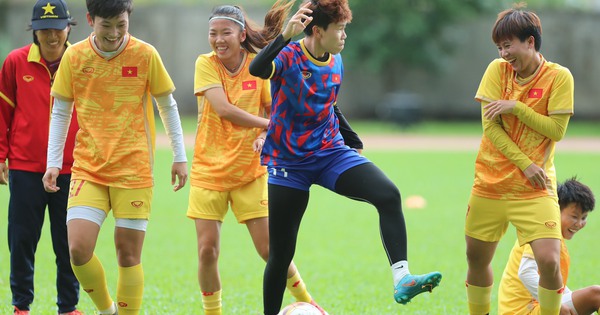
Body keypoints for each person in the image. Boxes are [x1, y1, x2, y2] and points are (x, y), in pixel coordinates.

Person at [249, 1, 442, 314]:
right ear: (317, 30)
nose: (344, 36)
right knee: (281, 254)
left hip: (330, 153)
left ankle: (402, 278)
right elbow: (257, 69)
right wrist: (284, 35)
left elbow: (329, 105)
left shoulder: (336, 60)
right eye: (339, 29)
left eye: (345, 28)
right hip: (289, 164)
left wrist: (351, 138)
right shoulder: (289, 55)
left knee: (388, 194)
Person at [41, 0, 188, 314]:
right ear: (90, 20)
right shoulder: (75, 55)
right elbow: (61, 112)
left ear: (128, 19)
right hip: (88, 168)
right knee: (78, 250)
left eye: (121, 24)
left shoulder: (145, 54)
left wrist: (179, 155)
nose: (114, 33)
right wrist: (53, 162)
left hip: (133, 169)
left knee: (127, 255)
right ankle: (107, 310)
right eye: (106, 25)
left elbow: (168, 105)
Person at [187, 2, 329, 314]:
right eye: (213, 33)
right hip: (208, 172)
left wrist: (265, 135)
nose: (218, 39)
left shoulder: (258, 65)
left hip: (250, 172)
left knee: (270, 250)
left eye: (226, 33)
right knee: (207, 251)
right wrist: (270, 126)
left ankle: (309, 303)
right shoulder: (205, 63)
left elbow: (271, 109)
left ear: (241, 36)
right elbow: (223, 109)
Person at [464, 4, 575, 315]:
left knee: (550, 261)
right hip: (490, 183)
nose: (504, 53)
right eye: (499, 46)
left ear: (530, 41)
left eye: (508, 44)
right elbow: (491, 128)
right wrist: (525, 163)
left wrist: (516, 107)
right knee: (476, 259)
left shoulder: (559, 77)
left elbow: (556, 130)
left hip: (535, 187)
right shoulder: (496, 71)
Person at [0, 0, 82, 314]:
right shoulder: (15, 62)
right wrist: (1, 156)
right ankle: (21, 305)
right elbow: (3, 113)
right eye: (43, 30)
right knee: (21, 241)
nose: (51, 37)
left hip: (71, 169)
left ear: (68, 28)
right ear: (34, 31)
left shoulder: (81, 61)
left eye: (57, 29)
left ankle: (69, 306)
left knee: (69, 244)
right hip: (25, 168)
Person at [498, 177, 598, 315]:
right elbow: (526, 272)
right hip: (524, 310)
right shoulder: (542, 233)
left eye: (584, 218)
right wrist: (554, 303)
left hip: (535, 306)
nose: (579, 223)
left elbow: (556, 287)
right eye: (574, 217)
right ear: (555, 211)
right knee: (596, 295)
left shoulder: (556, 238)